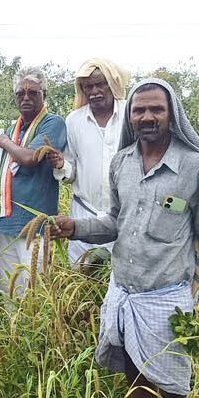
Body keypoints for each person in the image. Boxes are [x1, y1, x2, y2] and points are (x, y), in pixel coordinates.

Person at [51, 78, 199, 398]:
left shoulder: (195, 167)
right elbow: (115, 222)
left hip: (166, 303)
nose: (147, 117)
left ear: (172, 114)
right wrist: (76, 227)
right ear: (130, 116)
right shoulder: (123, 163)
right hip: (125, 297)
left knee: (175, 392)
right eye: (139, 110)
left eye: (156, 110)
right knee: (137, 385)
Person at [47, 59, 129, 266]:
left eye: (100, 84)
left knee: (120, 280)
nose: (94, 91)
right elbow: (71, 169)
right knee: (82, 278)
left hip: (124, 215)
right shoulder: (74, 120)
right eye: (88, 86)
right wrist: (60, 165)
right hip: (85, 213)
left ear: (112, 84)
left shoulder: (130, 114)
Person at [0, 67, 66, 295]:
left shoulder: (52, 124)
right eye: (20, 94)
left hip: (35, 222)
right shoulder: (11, 129)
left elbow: (29, 158)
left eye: (33, 93)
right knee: (9, 289)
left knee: (37, 290)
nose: (26, 98)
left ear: (44, 94)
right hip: (6, 220)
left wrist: (4, 142)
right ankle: (13, 331)